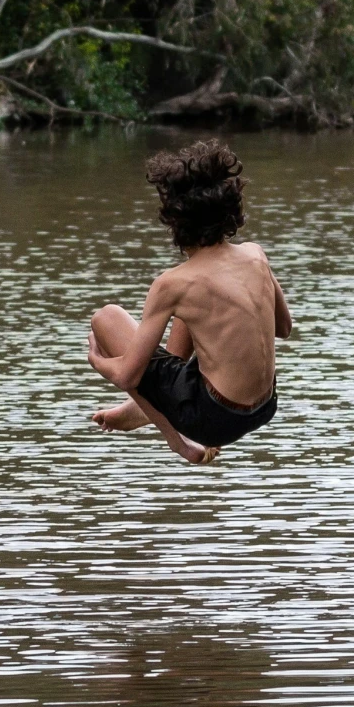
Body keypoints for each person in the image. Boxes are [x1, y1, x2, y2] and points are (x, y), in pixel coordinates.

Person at [88, 138, 291, 464]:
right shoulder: (256, 256)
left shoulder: (173, 284)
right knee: (195, 307)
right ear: (230, 209)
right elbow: (284, 327)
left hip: (211, 417)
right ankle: (147, 408)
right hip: (264, 407)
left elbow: (126, 376)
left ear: (174, 220)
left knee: (106, 319)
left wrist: (98, 361)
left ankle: (176, 437)